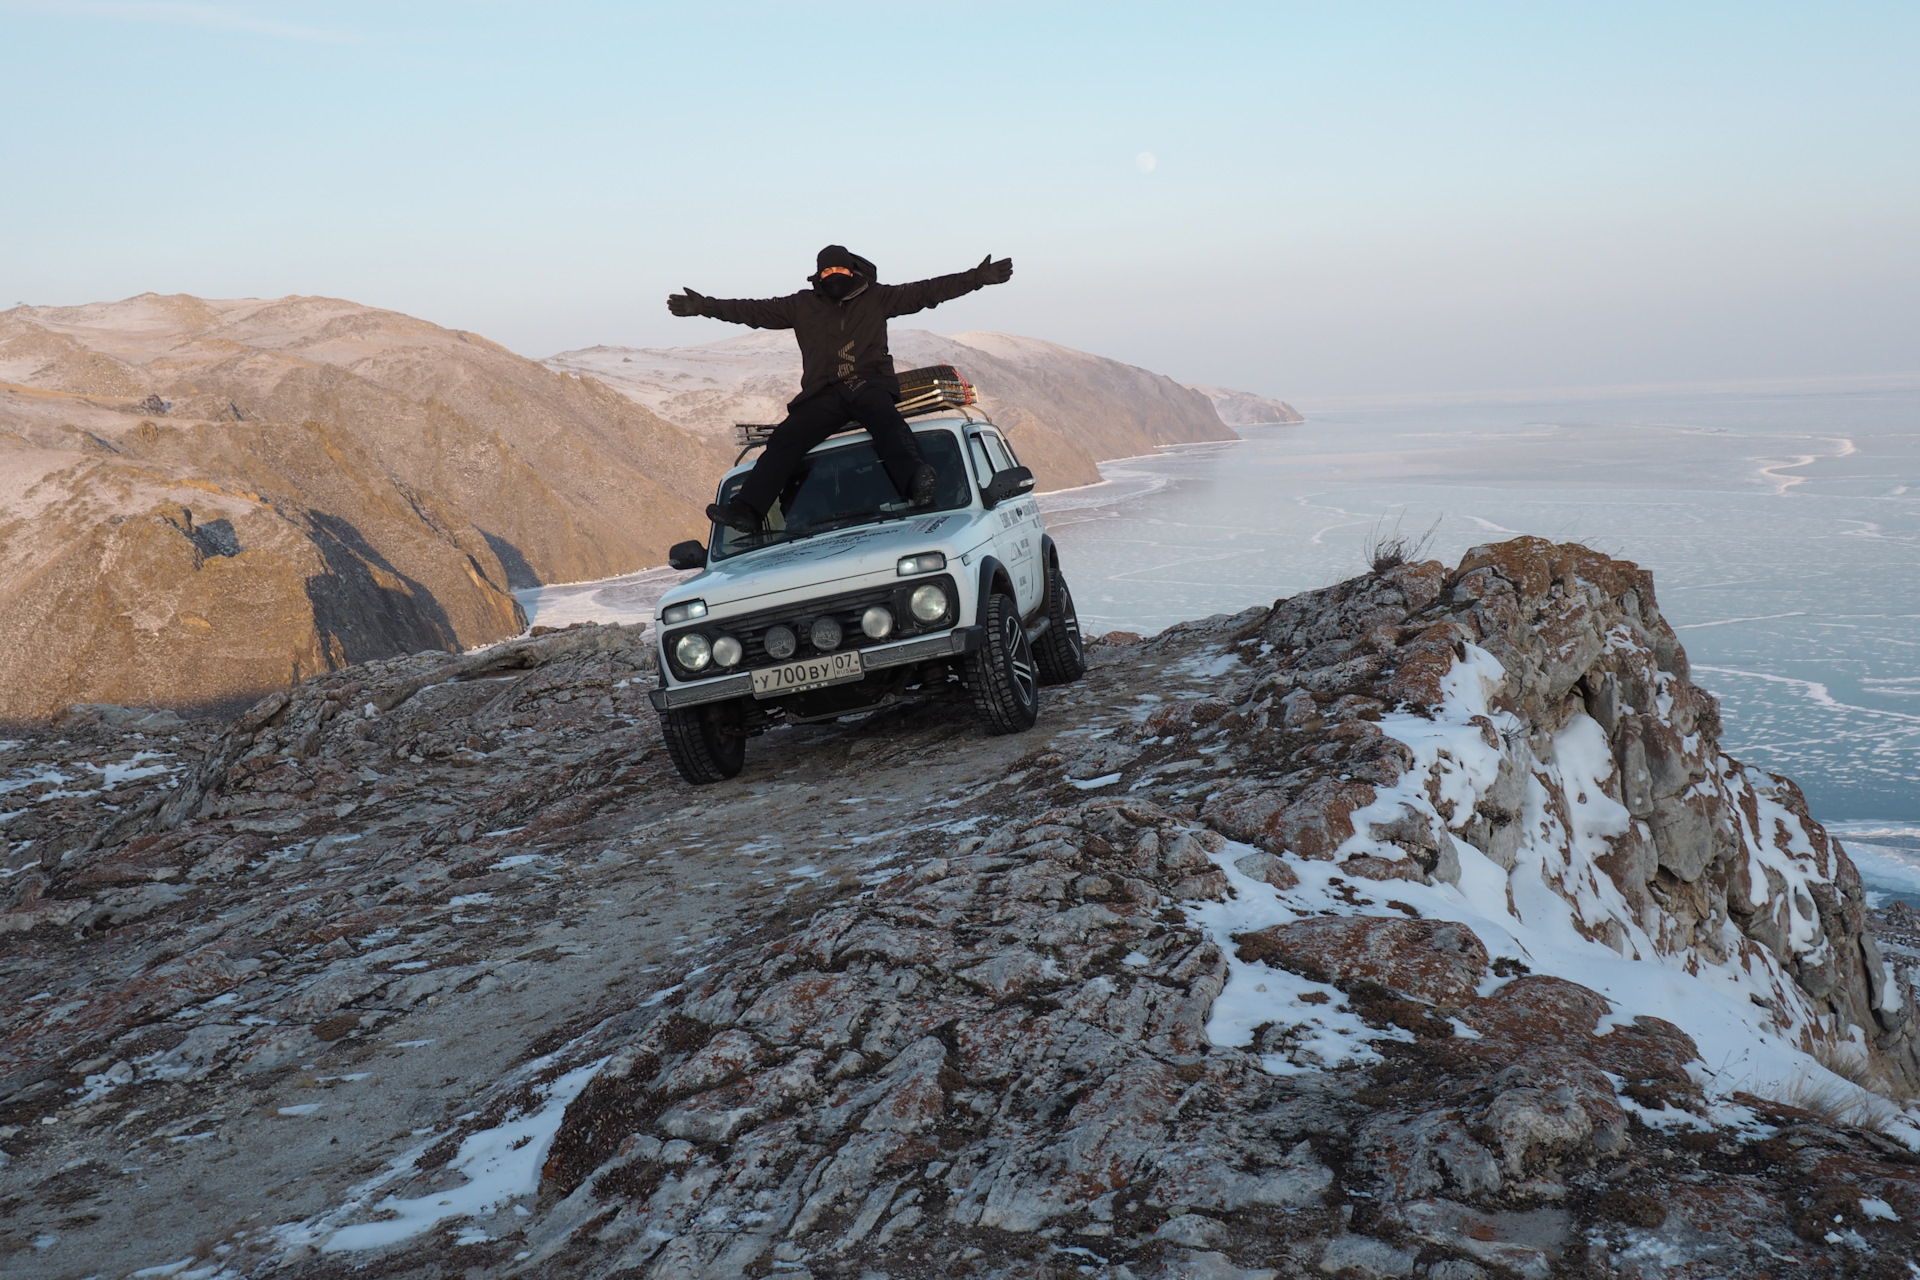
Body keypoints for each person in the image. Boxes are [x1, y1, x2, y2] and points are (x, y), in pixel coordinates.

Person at [668, 245, 1014, 533]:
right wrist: (704, 307)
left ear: (853, 271)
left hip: (868, 384)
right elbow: (751, 310)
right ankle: (747, 510)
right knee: (785, 440)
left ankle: (916, 481)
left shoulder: (877, 298)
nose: (835, 275)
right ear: (818, 275)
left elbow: (929, 291)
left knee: (884, 419)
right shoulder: (801, 305)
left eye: (841, 269)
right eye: (827, 270)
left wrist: (977, 278)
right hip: (824, 393)